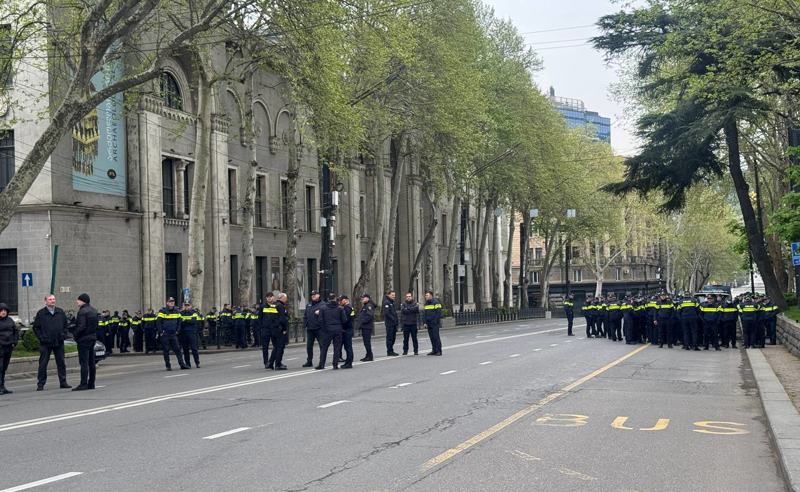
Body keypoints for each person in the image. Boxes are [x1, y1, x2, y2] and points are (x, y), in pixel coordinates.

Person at [32, 295, 71, 390]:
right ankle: (40, 383)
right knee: (43, 364)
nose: (52, 301)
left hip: (58, 341)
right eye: (50, 299)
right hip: (46, 342)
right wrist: (41, 337)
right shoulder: (41, 313)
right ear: (46, 301)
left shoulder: (60, 312)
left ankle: (63, 382)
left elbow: (66, 324)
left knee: (61, 363)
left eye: (53, 299)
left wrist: (63, 334)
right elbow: (36, 327)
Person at [72, 293, 98, 391]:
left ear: (83, 301)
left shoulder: (82, 312)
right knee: (92, 362)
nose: (76, 301)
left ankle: (83, 384)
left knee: (84, 362)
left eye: (78, 300)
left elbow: (81, 326)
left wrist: (75, 335)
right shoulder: (94, 311)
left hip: (83, 339)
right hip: (92, 338)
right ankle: (91, 383)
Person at [156, 297, 189, 371]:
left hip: (173, 334)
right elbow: (158, 322)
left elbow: (179, 321)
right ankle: (168, 365)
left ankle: (182, 364)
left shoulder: (176, 311)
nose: (172, 303)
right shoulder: (163, 311)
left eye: (173, 301)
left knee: (177, 349)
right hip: (165, 334)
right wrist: (161, 332)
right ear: (167, 303)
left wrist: (177, 330)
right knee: (166, 350)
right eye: (170, 302)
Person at [317, 293, 348, 370]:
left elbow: (320, 320)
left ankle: (321, 364)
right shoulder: (340, 308)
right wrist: (341, 327)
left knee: (324, 347)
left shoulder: (323, 308)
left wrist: (324, 328)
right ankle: (335, 364)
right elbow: (344, 320)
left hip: (327, 330)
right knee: (337, 347)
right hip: (337, 330)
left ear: (328, 299)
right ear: (335, 299)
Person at [0, 302, 18, 395]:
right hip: (0, 347)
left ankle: (2, 386)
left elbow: (15, 331)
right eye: (1, 310)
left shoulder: (10, 320)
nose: (3, 312)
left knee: (4, 368)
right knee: (0, 367)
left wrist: (15, 342)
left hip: (8, 347)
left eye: (5, 310)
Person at [302, 290, 324, 367]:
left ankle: (322, 361)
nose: (313, 296)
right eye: (312, 295)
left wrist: (320, 312)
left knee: (322, 345)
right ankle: (309, 361)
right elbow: (305, 316)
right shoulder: (309, 305)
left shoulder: (323, 305)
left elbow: (327, 316)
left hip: (319, 329)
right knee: (309, 346)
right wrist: (305, 324)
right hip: (310, 329)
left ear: (319, 295)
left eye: (315, 294)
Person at [180, 301, 202, 368]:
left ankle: (197, 363)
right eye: (185, 305)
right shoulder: (181, 313)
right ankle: (188, 364)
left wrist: (185, 321)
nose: (186, 306)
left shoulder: (194, 312)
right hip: (184, 332)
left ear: (191, 306)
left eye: (188, 305)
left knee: (194, 348)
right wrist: (187, 321)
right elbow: (180, 322)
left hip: (191, 332)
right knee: (185, 349)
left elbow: (194, 321)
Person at [259, 293, 277, 369]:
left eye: (270, 297)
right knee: (265, 347)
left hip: (274, 328)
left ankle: (272, 361)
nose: (269, 298)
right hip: (265, 329)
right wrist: (261, 327)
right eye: (268, 297)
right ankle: (266, 362)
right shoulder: (262, 306)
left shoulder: (276, 305)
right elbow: (259, 318)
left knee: (276, 346)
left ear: (273, 297)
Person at [272, 293, 289, 370]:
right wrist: (284, 329)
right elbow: (282, 319)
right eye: (285, 298)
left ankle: (270, 362)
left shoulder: (273, 305)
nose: (286, 300)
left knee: (275, 347)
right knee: (280, 347)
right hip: (279, 329)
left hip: (272, 328)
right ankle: (278, 364)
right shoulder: (281, 306)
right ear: (282, 298)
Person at [424, 291, 443, 356]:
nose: (425, 296)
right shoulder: (426, 303)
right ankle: (434, 350)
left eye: (427, 295)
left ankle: (439, 351)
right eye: (425, 295)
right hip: (429, 323)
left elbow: (439, 312)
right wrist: (425, 322)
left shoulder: (436, 302)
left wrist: (435, 321)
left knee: (436, 337)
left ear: (431, 296)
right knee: (431, 337)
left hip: (434, 323)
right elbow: (425, 314)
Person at [359, 293, 376, 362]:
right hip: (365, 326)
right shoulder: (365, 305)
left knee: (367, 342)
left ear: (367, 298)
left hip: (367, 327)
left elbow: (370, 315)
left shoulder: (368, 306)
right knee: (366, 342)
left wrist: (363, 321)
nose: (362, 299)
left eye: (363, 298)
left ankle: (370, 356)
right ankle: (368, 355)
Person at [339, 296, 355, 368]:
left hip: (347, 329)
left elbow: (346, 320)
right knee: (348, 346)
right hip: (349, 329)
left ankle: (349, 363)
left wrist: (343, 327)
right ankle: (348, 361)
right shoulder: (350, 307)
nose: (340, 302)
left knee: (348, 347)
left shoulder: (347, 308)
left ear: (345, 300)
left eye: (341, 300)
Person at [383, 291, 400, 355]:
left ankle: (391, 349)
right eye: (392, 295)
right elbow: (387, 313)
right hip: (389, 323)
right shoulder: (387, 302)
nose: (394, 296)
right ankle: (389, 351)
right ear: (389, 295)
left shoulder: (392, 302)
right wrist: (393, 319)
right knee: (390, 337)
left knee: (393, 337)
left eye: (394, 295)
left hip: (393, 323)